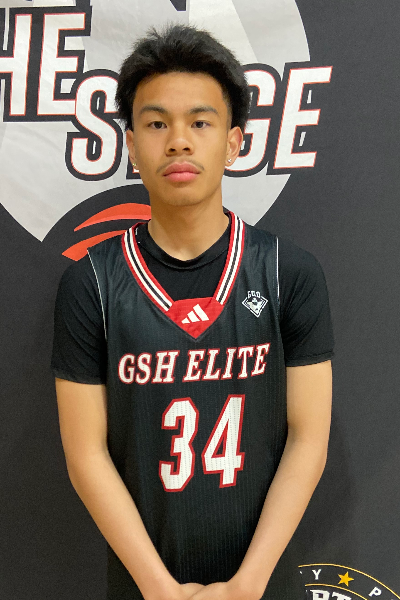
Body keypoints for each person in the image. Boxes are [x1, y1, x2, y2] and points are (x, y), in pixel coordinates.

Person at [51, 23, 334, 600]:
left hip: (262, 583)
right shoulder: (92, 284)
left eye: (200, 123)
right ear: (131, 145)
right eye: (157, 124)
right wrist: (159, 589)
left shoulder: (287, 273)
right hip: (142, 586)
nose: (178, 141)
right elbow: (85, 456)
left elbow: (308, 438)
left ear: (234, 142)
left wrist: (247, 585)